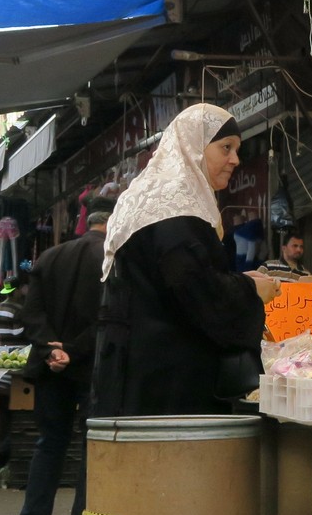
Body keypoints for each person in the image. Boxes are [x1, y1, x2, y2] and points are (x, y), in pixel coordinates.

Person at [92, 103, 279, 418]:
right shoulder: (177, 212)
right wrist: (250, 291)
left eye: (237, 149)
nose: (235, 159)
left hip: (135, 377)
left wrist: (239, 282)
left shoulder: (150, 200)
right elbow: (198, 294)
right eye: (226, 148)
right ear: (192, 148)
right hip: (167, 393)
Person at [15, 203, 108, 515]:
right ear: (111, 223)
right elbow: (106, 317)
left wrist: (51, 349)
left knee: (48, 444)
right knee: (90, 449)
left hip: (48, 365)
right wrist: (73, 350)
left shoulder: (49, 257)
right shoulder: (112, 259)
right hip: (88, 367)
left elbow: (31, 313)